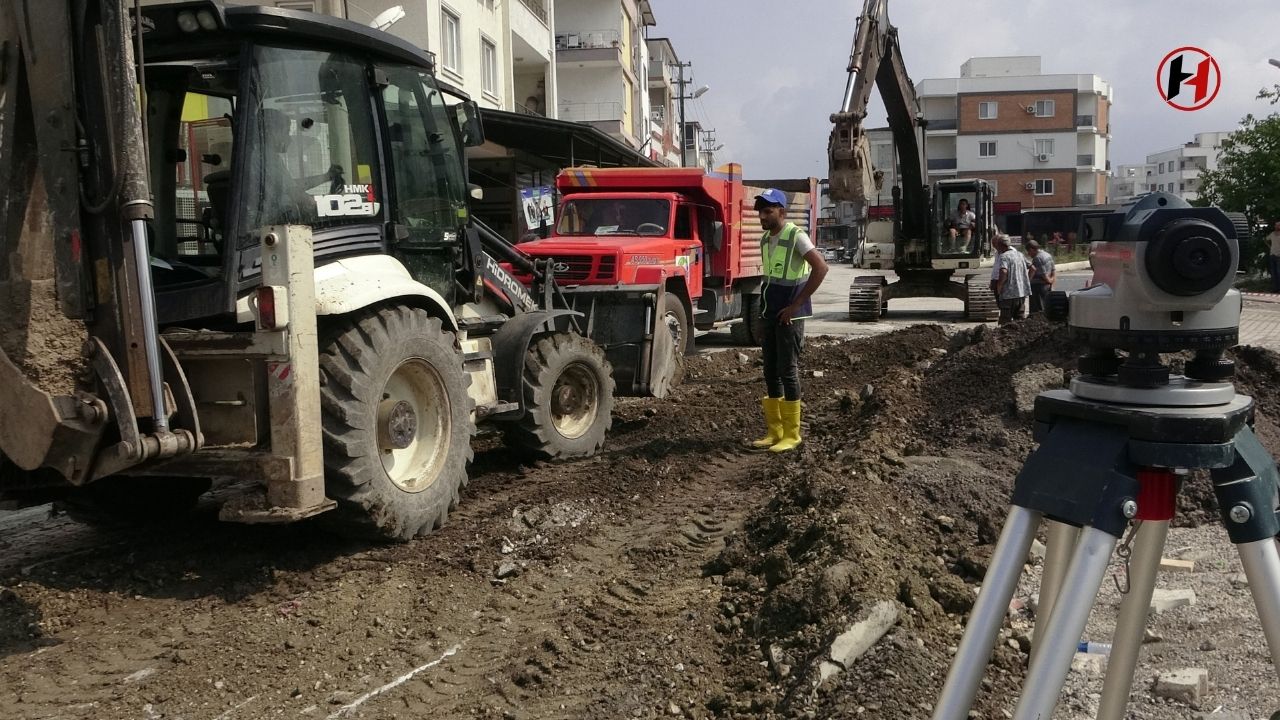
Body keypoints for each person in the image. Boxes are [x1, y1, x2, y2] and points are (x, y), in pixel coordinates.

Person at [748, 188, 828, 453]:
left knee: (788, 371)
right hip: (771, 314)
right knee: (770, 371)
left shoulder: (795, 235)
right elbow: (768, 281)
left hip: (790, 316)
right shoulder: (764, 240)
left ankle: (792, 434)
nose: (763, 216)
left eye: (768, 211)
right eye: (760, 211)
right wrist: (761, 316)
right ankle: (775, 431)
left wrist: (795, 306)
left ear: (782, 212)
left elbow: (821, 268)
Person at [991, 233, 1030, 325]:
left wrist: (999, 287)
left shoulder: (1004, 256)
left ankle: (1005, 338)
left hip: (1008, 294)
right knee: (1019, 319)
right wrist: (1027, 282)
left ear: (1000, 245)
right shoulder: (1019, 254)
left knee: (1005, 321)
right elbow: (1032, 267)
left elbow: (1004, 272)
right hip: (1021, 293)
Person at [1025, 239, 1056, 313]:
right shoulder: (1047, 255)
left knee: (1037, 310)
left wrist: (1027, 283)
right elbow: (1053, 270)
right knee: (1046, 307)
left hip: (1038, 287)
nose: (1029, 254)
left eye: (1029, 252)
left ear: (1032, 249)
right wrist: (1052, 282)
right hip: (1047, 286)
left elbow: (1043, 275)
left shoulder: (1037, 258)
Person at [1269, 220, 1280, 292]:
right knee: (1273, 273)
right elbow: (1266, 239)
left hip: (1279, 255)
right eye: (1276, 225)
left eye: (1278, 225)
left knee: (1279, 272)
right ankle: (1275, 288)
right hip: (1272, 254)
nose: (1277, 226)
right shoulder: (1272, 234)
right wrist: (1270, 247)